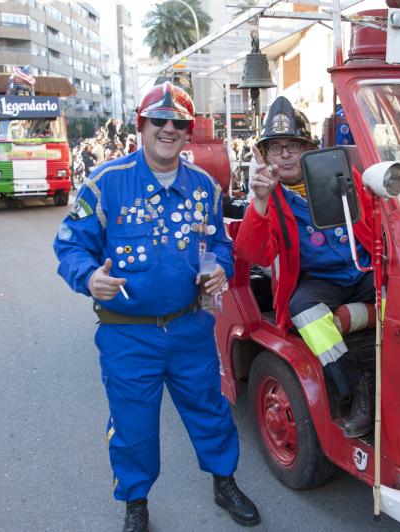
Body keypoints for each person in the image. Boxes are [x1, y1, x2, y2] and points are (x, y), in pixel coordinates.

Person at [53, 81, 260, 532]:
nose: (168, 129)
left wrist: (219, 268)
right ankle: (136, 503)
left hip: (189, 328)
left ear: (189, 131)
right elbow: (69, 247)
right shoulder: (107, 183)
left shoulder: (204, 187)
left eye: (179, 123)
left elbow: (220, 245)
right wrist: (89, 277)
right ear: (141, 126)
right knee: (134, 425)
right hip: (128, 335)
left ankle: (224, 482)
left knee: (210, 409)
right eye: (158, 121)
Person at [235, 96, 377, 438]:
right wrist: (260, 201)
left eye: (294, 146)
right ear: (266, 156)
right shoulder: (270, 195)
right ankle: (357, 388)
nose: (285, 154)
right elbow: (253, 253)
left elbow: (375, 216)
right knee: (305, 311)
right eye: (276, 147)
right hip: (321, 281)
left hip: (363, 268)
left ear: (309, 149)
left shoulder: (342, 175)